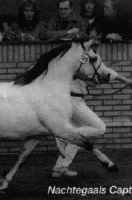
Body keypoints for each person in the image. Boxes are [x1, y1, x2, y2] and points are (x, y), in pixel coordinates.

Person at [52, 22, 132, 178]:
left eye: (99, 38)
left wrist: (126, 81)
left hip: (75, 100)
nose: (96, 41)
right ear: (87, 37)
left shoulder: (94, 57)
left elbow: (106, 71)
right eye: (93, 37)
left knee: (79, 138)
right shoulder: (77, 53)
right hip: (71, 101)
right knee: (100, 128)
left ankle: (59, 169)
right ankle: (63, 134)